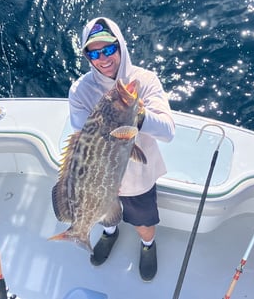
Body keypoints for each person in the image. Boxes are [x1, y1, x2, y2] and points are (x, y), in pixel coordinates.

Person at [69, 17, 175, 282]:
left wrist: (136, 116)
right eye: (94, 52)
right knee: (106, 216)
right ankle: (109, 232)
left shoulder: (144, 80)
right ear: (87, 56)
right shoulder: (79, 90)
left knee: (144, 224)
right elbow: (83, 140)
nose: (103, 58)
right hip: (100, 180)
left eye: (108, 49)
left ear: (120, 46)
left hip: (139, 179)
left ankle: (148, 246)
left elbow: (168, 131)